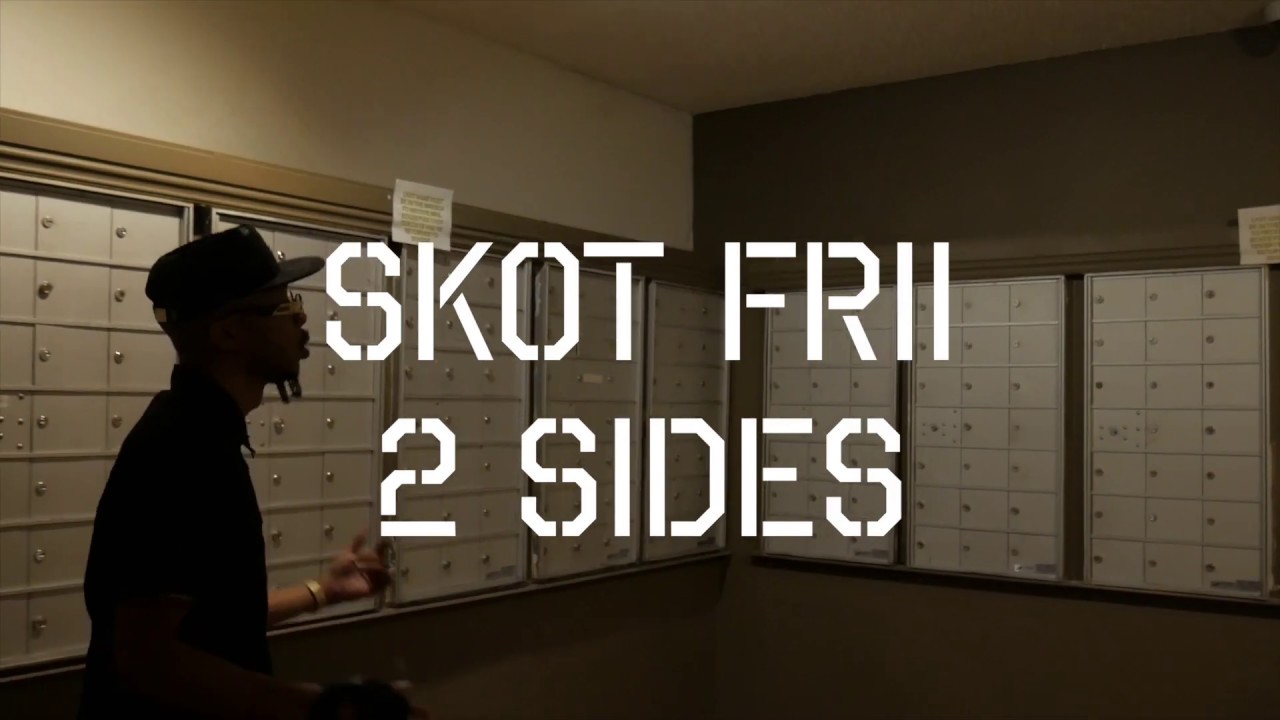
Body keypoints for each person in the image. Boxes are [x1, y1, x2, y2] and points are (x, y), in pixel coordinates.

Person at [77, 225, 425, 720]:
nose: (302, 319)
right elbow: (147, 660)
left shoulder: (199, 432)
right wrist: (332, 708)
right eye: (283, 307)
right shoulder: (183, 451)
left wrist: (323, 591)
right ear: (228, 333)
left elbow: (209, 623)